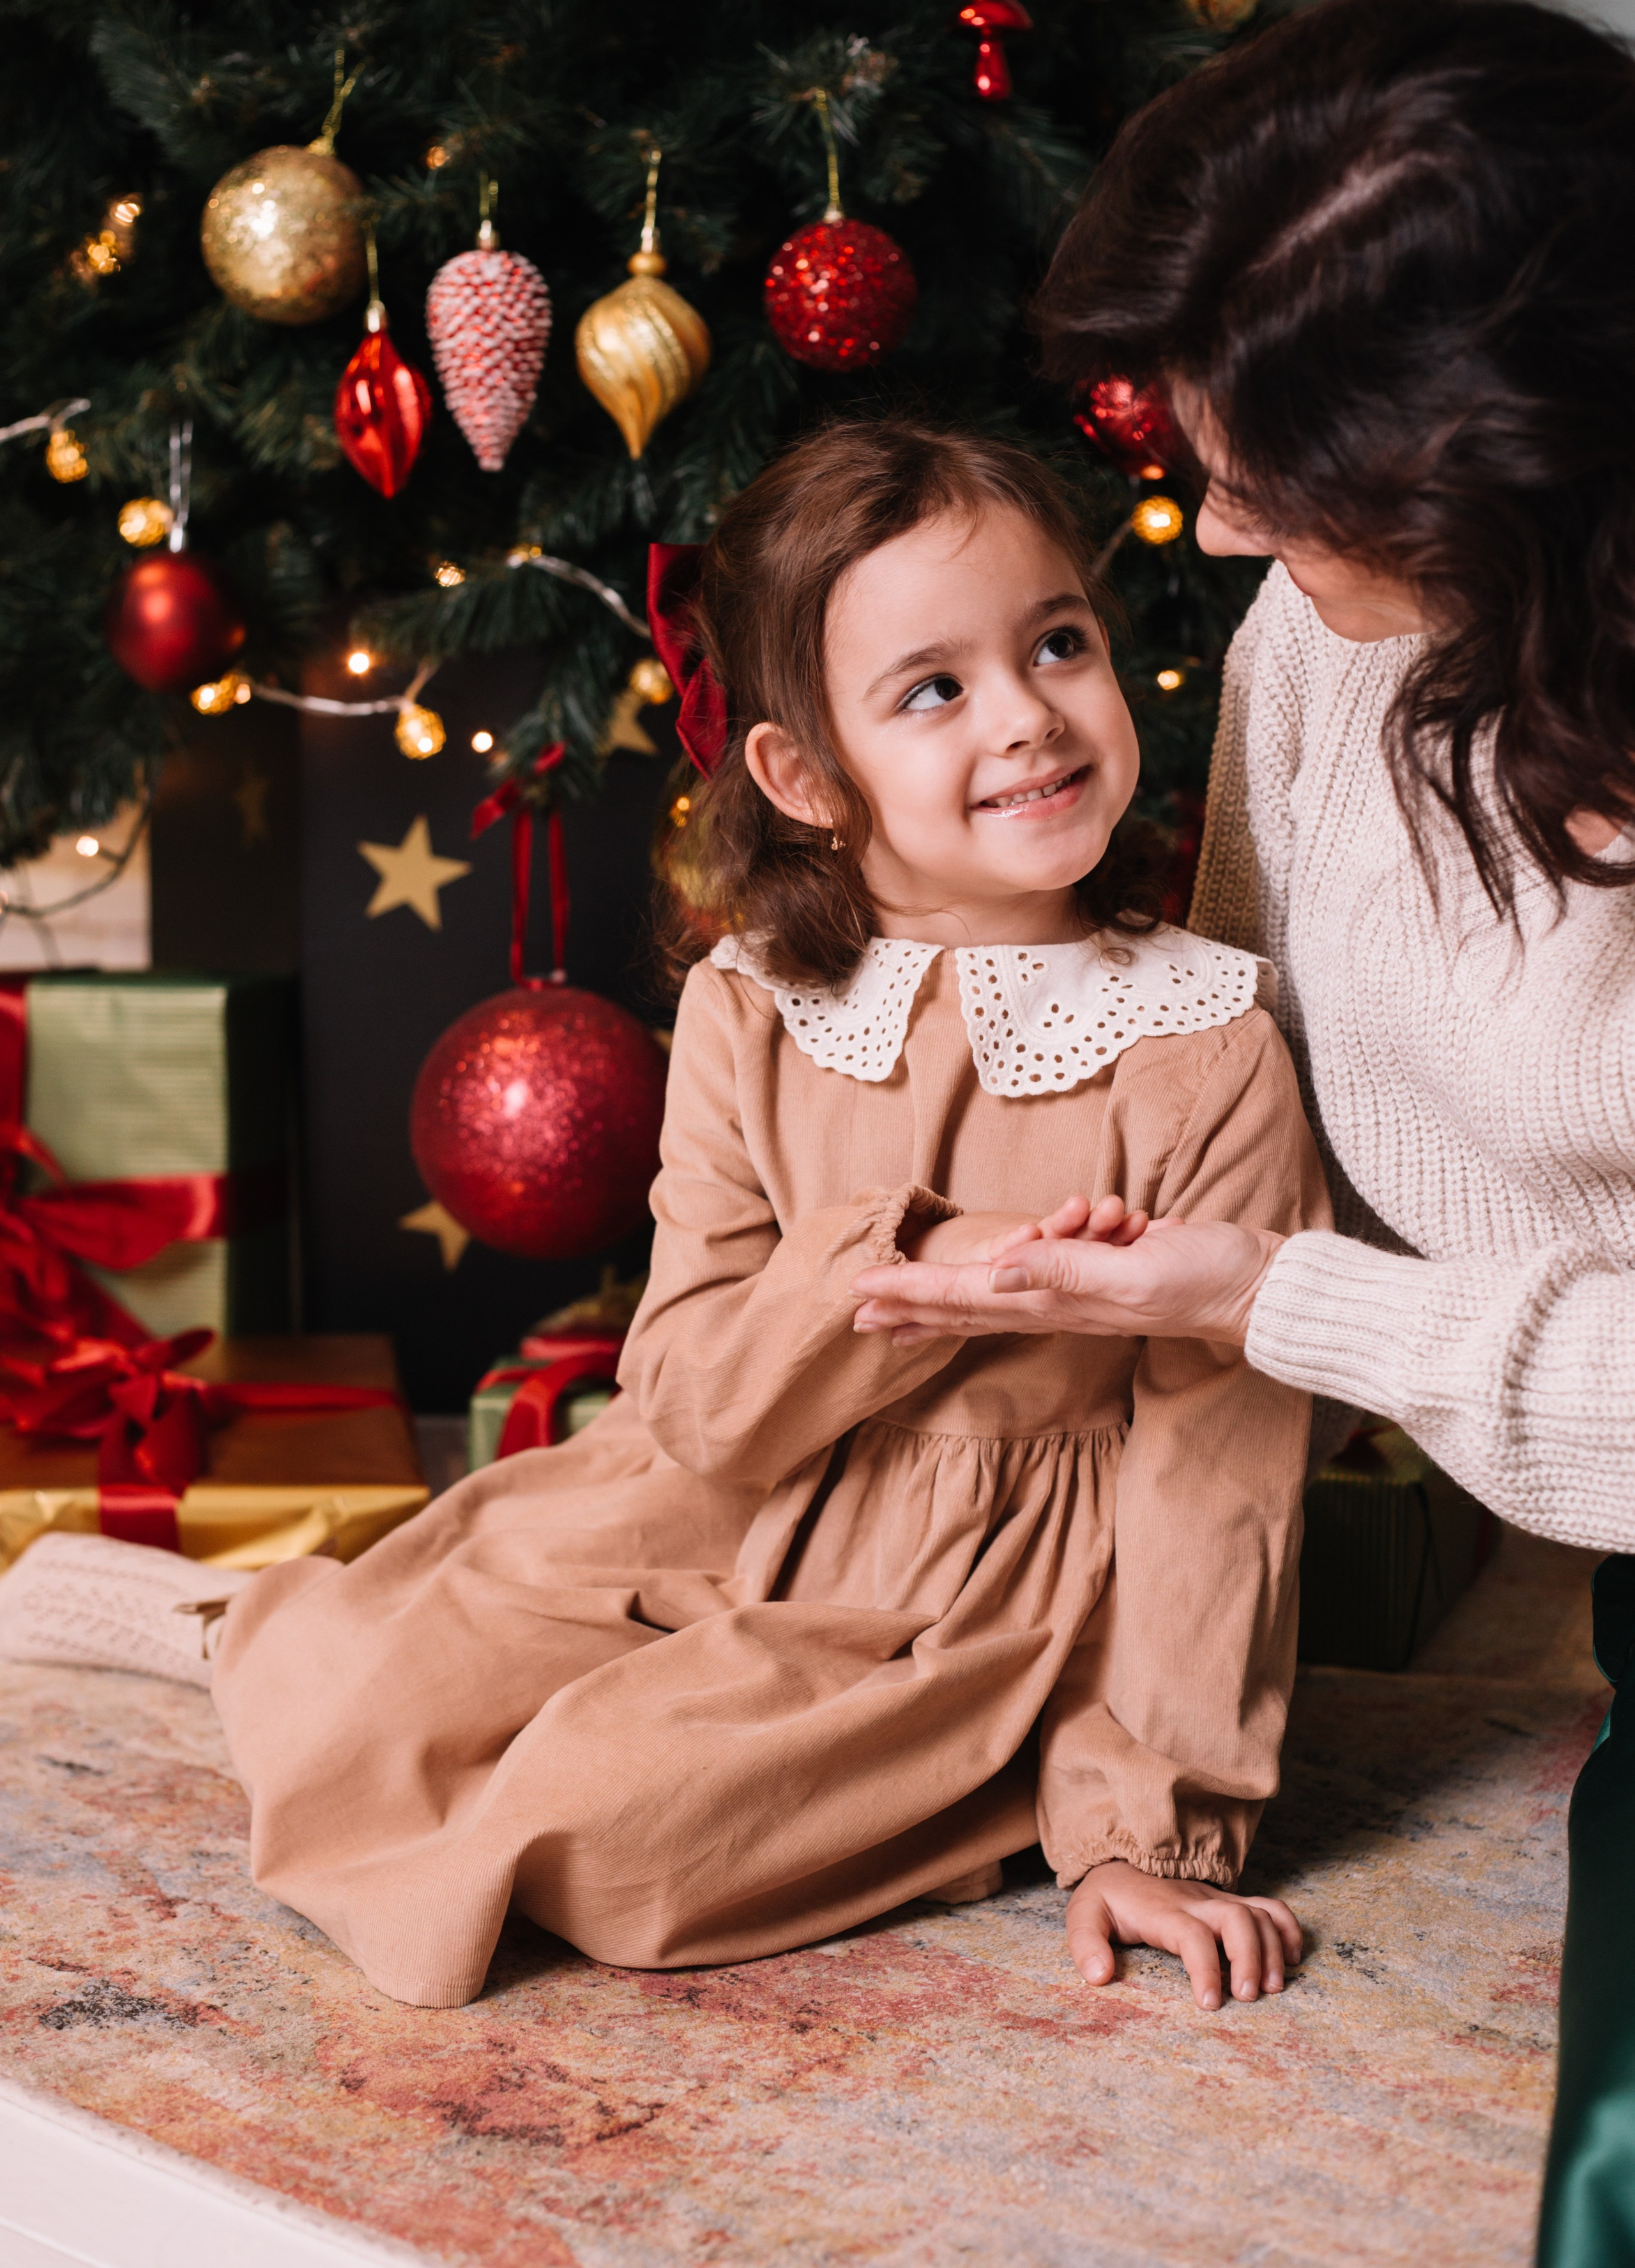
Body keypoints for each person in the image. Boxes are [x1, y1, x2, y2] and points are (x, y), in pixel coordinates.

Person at [0, 417, 1326, 2013]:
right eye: (934, 688)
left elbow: (1218, 1477)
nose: (1031, 720)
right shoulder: (752, 1009)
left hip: (958, 1592)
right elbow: (690, 1392)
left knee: (613, 1833)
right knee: (385, 1669)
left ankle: (602, 1730)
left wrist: (1147, 1832)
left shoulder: (1206, 1049)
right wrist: (901, 1271)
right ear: (803, 776)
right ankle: (242, 1633)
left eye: (1057, 644)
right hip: (716, 1489)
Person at [847, 0, 1635, 2267]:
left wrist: (1281, 1298)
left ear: (1512, 460)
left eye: (1268, 471)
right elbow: (1231, 1076)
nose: (1203, 519)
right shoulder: (1328, 638)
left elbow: (1273, 1269)